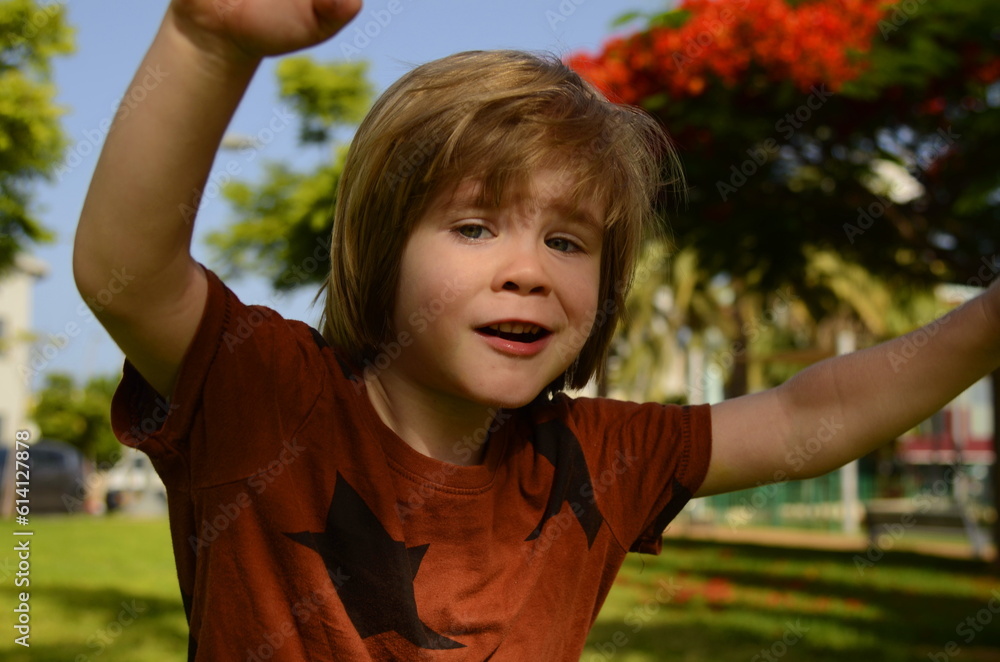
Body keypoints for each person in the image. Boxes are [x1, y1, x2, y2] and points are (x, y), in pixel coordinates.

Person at [73, 0, 1000, 660]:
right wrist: (205, 41)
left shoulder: (596, 458)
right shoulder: (265, 399)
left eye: (567, 240)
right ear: (383, 252)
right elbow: (128, 273)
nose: (528, 268)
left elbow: (807, 417)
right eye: (474, 227)